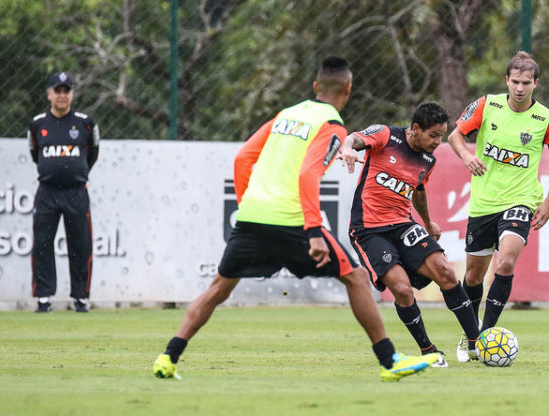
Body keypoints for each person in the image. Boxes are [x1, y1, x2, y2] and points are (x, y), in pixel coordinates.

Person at [153, 56, 437, 382]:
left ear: (316, 86)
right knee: (356, 278)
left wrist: (249, 204)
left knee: (218, 289)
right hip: (293, 223)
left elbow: (244, 156)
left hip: (251, 218)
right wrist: (315, 230)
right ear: (348, 89)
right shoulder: (331, 126)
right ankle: (389, 362)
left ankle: (168, 357)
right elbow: (307, 175)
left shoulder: (285, 115)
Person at [339, 102, 480, 368]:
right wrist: (347, 147)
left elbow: (418, 191)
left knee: (447, 273)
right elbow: (356, 138)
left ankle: (477, 343)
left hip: (403, 225)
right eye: (433, 135)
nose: (438, 142)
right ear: (415, 129)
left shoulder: (428, 160)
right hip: (369, 230)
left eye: (441, 135)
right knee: (402, 290)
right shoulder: (385, 135)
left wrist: (427, 223)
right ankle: (428, 350)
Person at [447, 51, 549, 362]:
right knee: (473, 277)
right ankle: (470, 335)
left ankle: (486, 339)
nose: (520, 88)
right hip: (483, 203)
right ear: (506, 81)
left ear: (535, 84)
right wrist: (467, 156)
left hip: (521, 201)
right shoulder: (488, 105)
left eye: (526, 82)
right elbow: (455, 135)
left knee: (507, 262)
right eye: (515, 81)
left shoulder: (547, 119)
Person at [28, 72, 100, 313]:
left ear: (71, 94)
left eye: (65, 90)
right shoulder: (38, 124)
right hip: (47, 192)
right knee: (42, 244)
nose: (61, 95)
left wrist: (75, 173)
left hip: (76, 192)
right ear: (49, 94)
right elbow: (34, 153)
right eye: (57, 91)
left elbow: (92, 153)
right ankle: (44, 298)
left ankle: (81, 298)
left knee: (81, 245)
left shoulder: (85, 123)